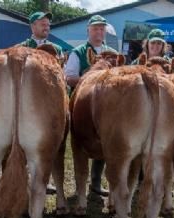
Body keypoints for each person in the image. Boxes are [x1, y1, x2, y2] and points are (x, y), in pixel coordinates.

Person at [65, 15, 119, 197]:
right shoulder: (78, 52)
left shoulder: (113, 53)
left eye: (102, 28)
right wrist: (89, 80)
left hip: (108, 105)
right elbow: (69, 78)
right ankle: (79, 183)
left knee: (105, 141)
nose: (99, 31)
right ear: (88, 30)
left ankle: (96, 182)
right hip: (81, 105)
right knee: (80, 141)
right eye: (95, 28)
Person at [21, 11, 65, 195]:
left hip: (50, 105)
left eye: (48, 24)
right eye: (42, 24)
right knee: (24, 145)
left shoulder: (57, 49)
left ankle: (43, 181)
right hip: (26, 103)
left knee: (49, 144)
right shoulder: (21, 48)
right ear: (32, 27)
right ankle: (23, 184)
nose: (46, 27)